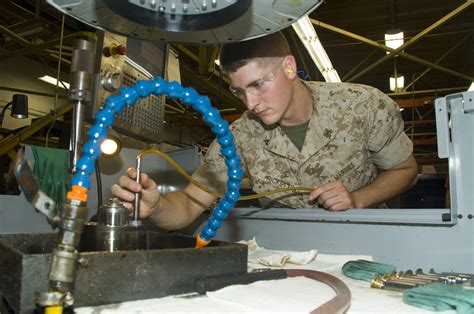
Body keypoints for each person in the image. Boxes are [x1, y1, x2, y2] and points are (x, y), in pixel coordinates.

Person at [111, 31, 418, 230]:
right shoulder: (239, 138)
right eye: (240, 91)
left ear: (288, 67)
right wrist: (156, 207)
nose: (251, 103)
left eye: (258, 84)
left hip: (366, 239)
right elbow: (190, 204)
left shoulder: (363, 105)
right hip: (287, 252)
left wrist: (358, 198)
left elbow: (406, 169)